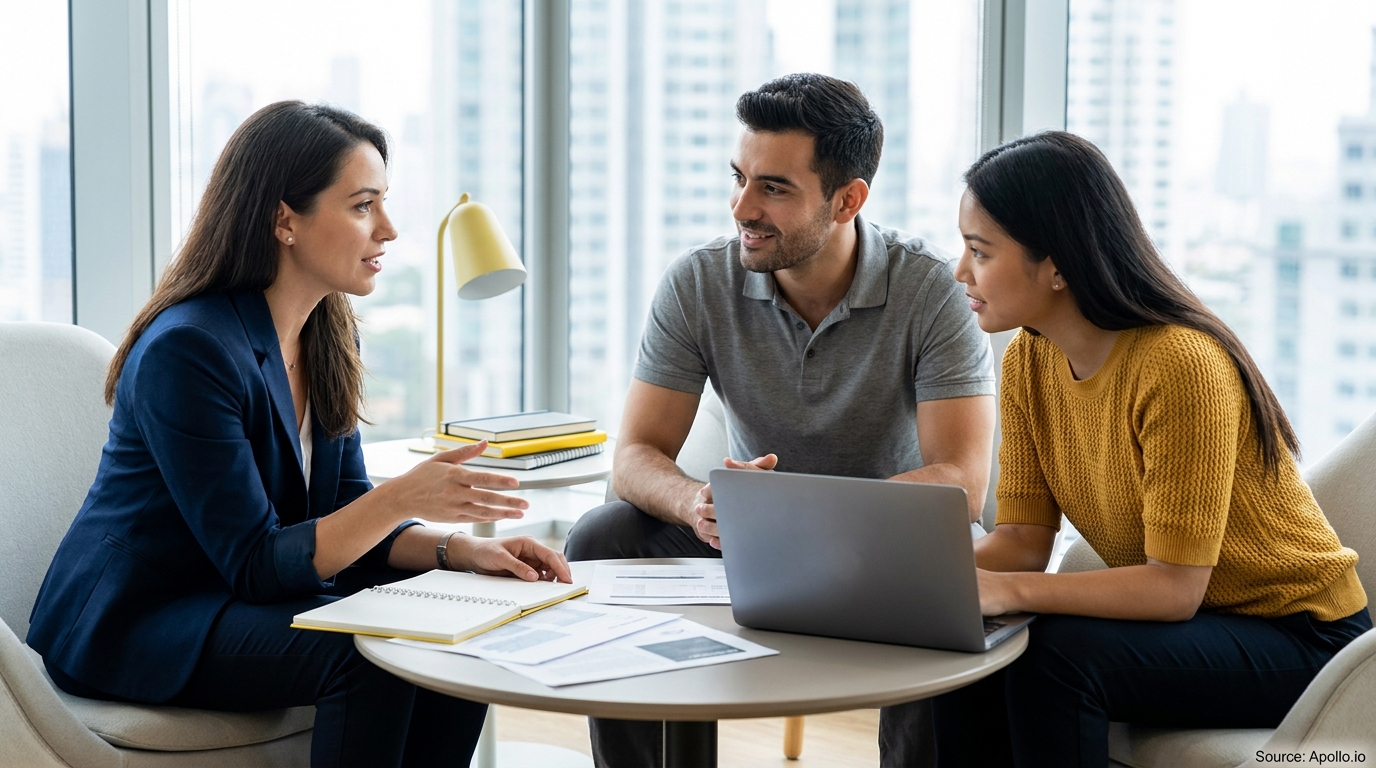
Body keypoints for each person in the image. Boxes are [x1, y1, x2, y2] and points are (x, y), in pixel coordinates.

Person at [27, 101, 572, 768]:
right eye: (363, 205)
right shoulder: (188, 351)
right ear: (286, 219)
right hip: (141, 622)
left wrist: (457, 552)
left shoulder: (324, 335)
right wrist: (402, 498)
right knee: (369, 654)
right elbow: (257, 563)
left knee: (460, 627)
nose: (391, 230)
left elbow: (341, 517)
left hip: (239, 598)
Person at [563, 73, 997, 767]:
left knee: (955, 571)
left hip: (887, 550)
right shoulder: (698, 281)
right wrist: (696, 502)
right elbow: (636, 452)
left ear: (848, 199)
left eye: (774, 188)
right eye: (739, 179)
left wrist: (811, 519)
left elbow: (961, 484)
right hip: (748, 544)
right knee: (602, 532)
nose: (742, 207)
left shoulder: (930, 292)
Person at [931, 130, 1371, 767]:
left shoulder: (1180, 364)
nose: (960, 271)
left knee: (1053, 658)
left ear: (1055, 264)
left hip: (1301, 637)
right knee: (972, 647)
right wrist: (922, 579)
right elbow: (1024, 540)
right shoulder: (1029, 358)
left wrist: (1010, 593)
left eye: (979, 250)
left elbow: (1173, 588)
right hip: (1197, 626)